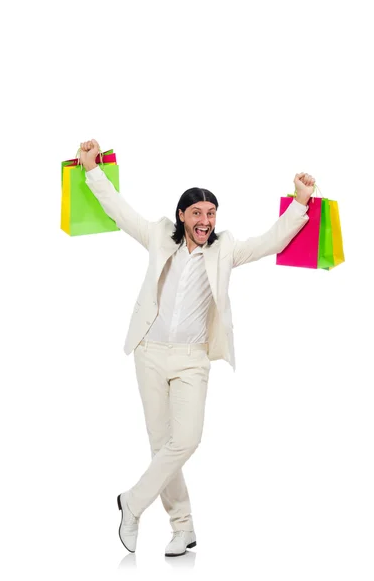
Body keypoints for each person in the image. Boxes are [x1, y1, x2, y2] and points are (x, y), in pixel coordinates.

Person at [79, 138, 316, 557]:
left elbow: (271, 241)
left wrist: (301, 202)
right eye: (198, 213)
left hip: (192, 359)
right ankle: (182, 528)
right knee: (160, 444)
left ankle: (132, 503)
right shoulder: (157, 236)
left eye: (211, 214)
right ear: (182, 216)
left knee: (185, 440)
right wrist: (91, 168)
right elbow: (118, 209)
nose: (205, 220)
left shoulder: (226, 250)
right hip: (149, 351)